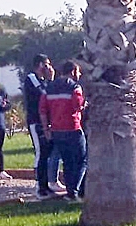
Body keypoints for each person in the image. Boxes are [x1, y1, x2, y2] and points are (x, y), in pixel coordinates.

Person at [39, 60, 87, 200]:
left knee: (67, 161)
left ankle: (70, 191)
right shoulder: (75, 87)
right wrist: (86, 105)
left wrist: (46, 129)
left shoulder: (49, 88)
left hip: (56, 131)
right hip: (73, 129)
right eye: (78, 72)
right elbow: (78, 106)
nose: (79, 74)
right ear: (72, 72)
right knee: (81, 161)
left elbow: (42, 110)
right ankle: (74, 192)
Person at [23, 54, 65, 198]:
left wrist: (50, 80)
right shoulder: (32, 78)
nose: (49, 67)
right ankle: (40, 187)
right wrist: (49, 80)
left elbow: (51, 95)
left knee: (47, 153)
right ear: (40, 65)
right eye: (47, 64)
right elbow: (43, 94)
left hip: (47, 122)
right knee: (40, 153)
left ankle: (46, 185)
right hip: (36, 123)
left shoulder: (44, 81)